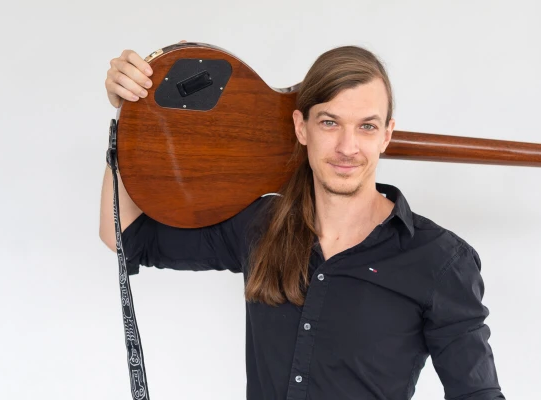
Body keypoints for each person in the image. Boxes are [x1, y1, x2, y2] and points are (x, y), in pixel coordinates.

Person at [100, 42, 506, 400]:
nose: (348, 147)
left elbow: (478, 393)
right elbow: (126, 236)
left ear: (386, 135)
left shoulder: (439, 260)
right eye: (330, 122)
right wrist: (132, 115)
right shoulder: (260, 226)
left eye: (366, 126)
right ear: (301, 127)